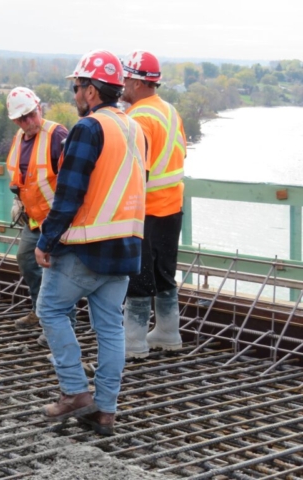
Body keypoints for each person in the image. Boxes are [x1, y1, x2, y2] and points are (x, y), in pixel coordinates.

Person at [34, 50, 147, 435]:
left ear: (93, 91)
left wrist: (46, 239)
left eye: (77, 86)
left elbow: (69, 193)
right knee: (110, 328)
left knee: (50, 309)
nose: (74, 93)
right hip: (126, 248)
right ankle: (105, 411)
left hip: (86, 247)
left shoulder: (89, 128)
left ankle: (75, 392)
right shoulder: (133, 128)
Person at [120, 51, 187, 359]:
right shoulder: (170, 111)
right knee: (163, 272)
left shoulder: (138, 118)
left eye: (124, 78)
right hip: (172, 207)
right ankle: (169, 332)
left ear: (135, 82)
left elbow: (136, 172)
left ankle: (133, 342)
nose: (121, 84)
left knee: (138, 274)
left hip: (146, 210)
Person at [5, 87, 70, 346]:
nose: (30, 121)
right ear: (15, 121)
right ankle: (39, 310)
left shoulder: (58, 135)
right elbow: (23, 176)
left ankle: (56, 324)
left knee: (56, 273)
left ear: (39, 108)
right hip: (34, 218)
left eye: (33, 114)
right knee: (25, 259)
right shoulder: (19, 139)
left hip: (56, 221)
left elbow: (69, 180)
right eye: (23, 118)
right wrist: (18, 200)